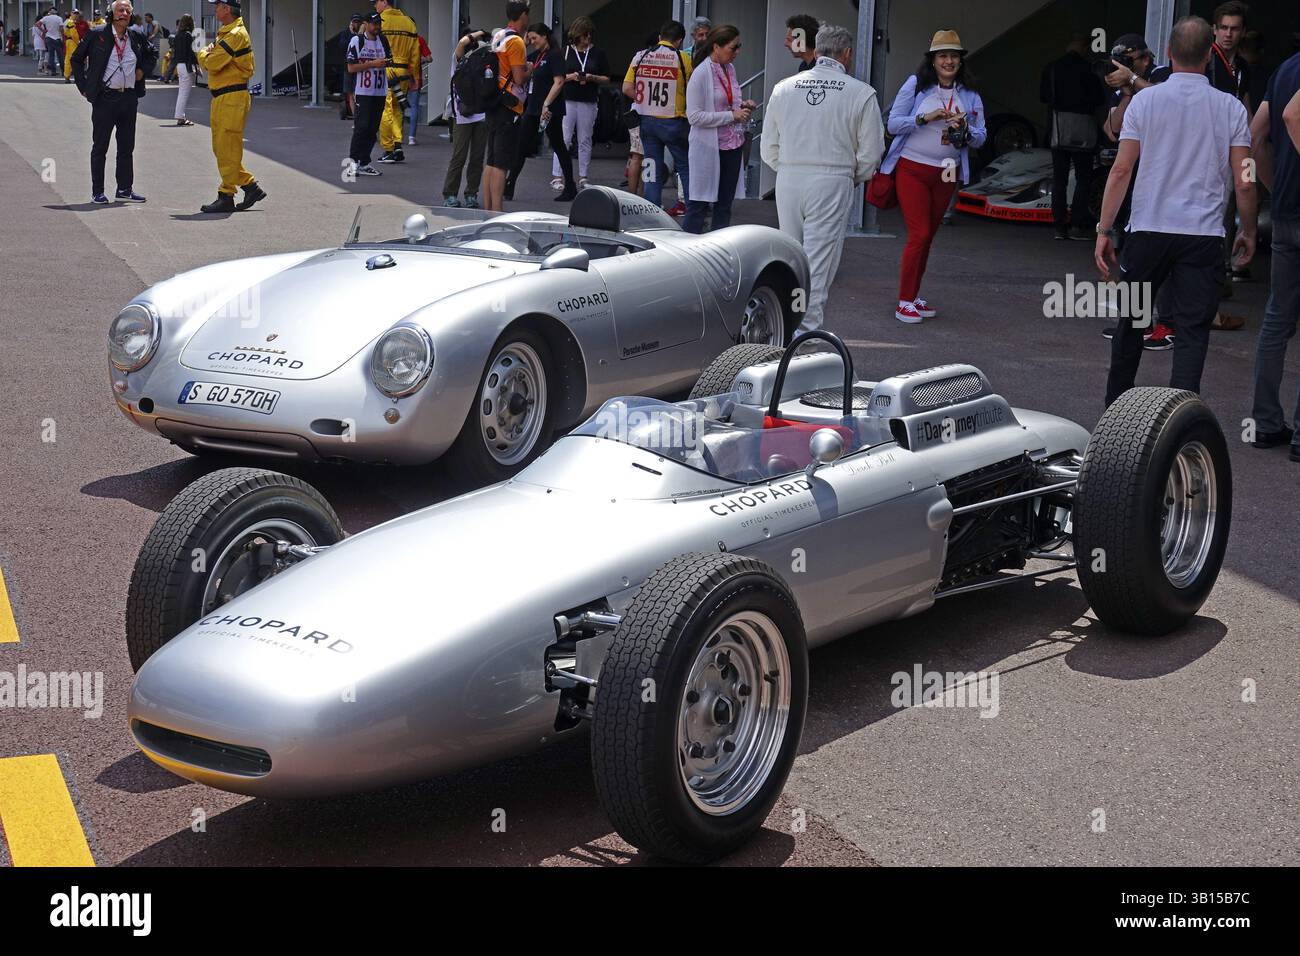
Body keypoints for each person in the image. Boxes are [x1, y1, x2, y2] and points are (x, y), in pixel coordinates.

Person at [1094, 16, 1256, 406]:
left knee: (1132, 322)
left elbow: (1121, 170)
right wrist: (1248, 230)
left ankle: (1115, 407)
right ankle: (1181, 417)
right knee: (1193, 329)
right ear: (1208, 54)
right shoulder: (1231, 108)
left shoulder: (1145, 101)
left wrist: (1103, 229)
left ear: (1168, 53)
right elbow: (1245, 178)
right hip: (1202, 235)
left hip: (1148, 228)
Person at [761, 24, 884, 333]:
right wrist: (850, 177)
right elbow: (871, 154)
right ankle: (804, 338)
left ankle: (784, 329)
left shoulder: (784, 87)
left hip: (789, 177)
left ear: (815, 51)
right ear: (848, 54)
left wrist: (789, 167)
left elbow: (768, 147)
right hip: (832, 178)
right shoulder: (861, 92)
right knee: (817, 264)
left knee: (791, 258)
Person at [881, 30, 985, 324]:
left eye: (954, 56)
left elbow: (981, 137)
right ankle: (904, 302)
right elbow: (892, 124)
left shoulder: (970, 92)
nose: (949, 61)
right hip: (912, 168)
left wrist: (965, 130)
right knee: (920, 234)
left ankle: (913, 297)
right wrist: (924, 118)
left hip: (948, 172)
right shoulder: (917, 85)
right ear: (933, 60)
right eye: (943, 56)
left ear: (961, 60)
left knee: (928, 238)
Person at [1101, 33, 1176, 350]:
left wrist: (1134, 79)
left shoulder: (1163, 76)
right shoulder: (1125, 85)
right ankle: (1137, 324)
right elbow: (1111, 131)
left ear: (1145, 58)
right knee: (1132, 254)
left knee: (1167, 256)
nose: (1125, 67)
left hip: (1165, 179)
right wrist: (1127, 91)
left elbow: (1167, 105)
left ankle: (1167, 325)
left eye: (1131, 61)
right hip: (1137, 180)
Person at [1247, 51, 1300, 459]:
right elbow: (1292, 116)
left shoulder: (1285, 67)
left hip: (1285, 211)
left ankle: (1265, 424)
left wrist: (1272, 184)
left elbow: (1256, 132)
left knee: (1277, 318)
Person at [70, 0, 155, 203]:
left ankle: (124, 189)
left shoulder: (136, 35)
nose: (124, 13)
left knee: (127, 147)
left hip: (129, 98)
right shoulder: (97, 34)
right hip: (105, 98)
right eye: (120, 10)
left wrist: (142, 70)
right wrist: (83, 86)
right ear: (111, 13)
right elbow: (76, 59)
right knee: (100, 146)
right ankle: (97, 191)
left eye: (127, 10)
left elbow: (152, 53)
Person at [196, 0, 266, 213]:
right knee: (222, 149)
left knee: (228, 150)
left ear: (227, 9)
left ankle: (227, 194)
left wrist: (202, 53)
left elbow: (212, 64)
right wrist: (209, 55)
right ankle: (249, 187)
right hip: (223, 97)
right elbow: (215, 63)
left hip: (232, 97)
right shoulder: (227, 33)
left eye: (217, 5)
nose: (214, 9)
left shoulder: (235, 34)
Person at [684, 24, 754, 233]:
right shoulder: (701, 74)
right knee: (699, 205)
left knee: (724, 206)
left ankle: (718, 253)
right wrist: (731, 115)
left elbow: (728, 101)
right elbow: (694, 116)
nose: (737, 52)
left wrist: (743, 106)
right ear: (716, 47)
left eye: (739, 46)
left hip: (732, 145)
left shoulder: (729, 69)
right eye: (734, 48)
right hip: (708, 147)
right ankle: (686, 252)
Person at [1040, 33, 1106, 240]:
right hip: (1083, 129)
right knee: (1083, 178)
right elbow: (1099, 99)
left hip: (1059, 129)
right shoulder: (1089, 70)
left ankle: (1059, 226)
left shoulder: (1051, 68)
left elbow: (1043, 96)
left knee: (1059, 180)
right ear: (1085, 48)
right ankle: (1078, 224)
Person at [623, 19, 692, 211]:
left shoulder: (641, 56)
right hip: (674, 121)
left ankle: (651, 211)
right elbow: (692, 89)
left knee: (651, 168)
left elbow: (626, 87)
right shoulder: (682, 58)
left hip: (647, 121)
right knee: (685, 167)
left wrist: (644, 100)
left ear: (660, 37)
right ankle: (693, 209)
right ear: (680, 41)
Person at [505, 22, 576, 202]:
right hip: (533, 107)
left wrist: (547, 103)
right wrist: (525, 41)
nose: (532, 41)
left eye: (534, 38)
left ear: (545, 36)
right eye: (530, 39)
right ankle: (509, 185)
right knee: (521, 145)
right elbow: (522, 61)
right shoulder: (538, 55)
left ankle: (570, 187)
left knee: (558, 145)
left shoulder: (555, 55)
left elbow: (559, 82)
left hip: (549, 108)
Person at [481, 1, 530, 212]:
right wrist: (530, 69)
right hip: (509, 105)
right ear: (523, 15)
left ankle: (489, 209)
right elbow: (519, 78)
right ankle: (498, 211)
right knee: (501, 163)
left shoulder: (499, 35)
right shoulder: (517, 42)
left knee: (491, 160)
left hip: (494, 101)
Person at [554, 17, 607, 189]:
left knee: (585, 138)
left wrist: (592, 77)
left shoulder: (598, 53)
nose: (588, 38)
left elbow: (607, 78)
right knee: (564, 138)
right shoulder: (566, 52)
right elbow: (558, 76)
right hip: (567, 99)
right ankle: (557, 176)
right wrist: (571, 77)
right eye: (585, 34)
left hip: (588, 100)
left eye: (590, 34)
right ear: (577, 35)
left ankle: (583, 176)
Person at [442, 27, 490, 207]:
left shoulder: (483, 60)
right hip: (462, 115)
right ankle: (449, 194)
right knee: (459, 156)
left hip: (481, 114)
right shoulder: (458, 60)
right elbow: (462, 43)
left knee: (477, 158)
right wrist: (480, 32)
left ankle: (471, 193)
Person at [373, 0, 418, 164]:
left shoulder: (379, 21)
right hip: (404, 71)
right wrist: (414, 77)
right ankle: (398, 145)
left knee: (385, 109)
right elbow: (415, 53)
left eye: (376, 2)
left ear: (384, 2)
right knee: (398, 108)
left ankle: (389, 149)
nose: (374, 6)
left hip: (385, 70)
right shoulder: (409, 22)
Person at [346, 11, 387, 177]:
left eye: (379, 23)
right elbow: (351, 67)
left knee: (372, 129)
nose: (377, 27)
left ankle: (365, 162)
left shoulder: (383, 40)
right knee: (361, 128)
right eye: (374, 23)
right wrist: (372, 64)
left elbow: (388, 60)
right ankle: (353, 163)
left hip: (380, 91)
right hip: (363, 91)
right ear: (367, 24)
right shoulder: (357, 41)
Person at [405, 33, 431, 145]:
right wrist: (421, 60)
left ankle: (397, 136)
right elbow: (429, 58)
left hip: (400, 77)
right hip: (415, 78)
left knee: (398, 107)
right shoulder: (419, 39)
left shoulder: (401, 39)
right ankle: (411, 137)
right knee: (414, 107)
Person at [171, 13, 195, 125]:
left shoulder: (177, 35)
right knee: (184, 93)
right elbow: (191, 53)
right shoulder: (188, 35)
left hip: (179, 65)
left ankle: (180, 116)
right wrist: (196, 66)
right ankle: (180, 117)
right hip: (186, 65)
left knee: (182, 92)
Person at [340, 14, 361, 119]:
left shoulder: (362, 34)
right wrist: (352, 34)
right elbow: (343, 46)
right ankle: (354, 116)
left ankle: (358, 114)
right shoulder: (345, 34)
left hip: (359, 67)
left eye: (358, 22)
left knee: (357, 92)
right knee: (350, 92)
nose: (356, 24)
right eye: (354, 22)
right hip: (348, 67)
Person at [40, 6, 64, 77]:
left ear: (50, 12)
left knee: (51, 55)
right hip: (57, 38)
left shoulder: (46, 18)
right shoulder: (59, 18)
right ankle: (63, 71)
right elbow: (61, 29)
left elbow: (37, 24)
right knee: (60, 56)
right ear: (56, 12)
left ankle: (53, 71)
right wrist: (63, 38)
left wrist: (44, 31)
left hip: (49, 38)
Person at [62, 9, 79, 81]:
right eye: (74, 13)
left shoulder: (68, 21)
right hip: (72, 42)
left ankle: (67, 76)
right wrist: (78, 42)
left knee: (68, 59)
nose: (76, 15)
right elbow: (73, 34)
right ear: (71, 14)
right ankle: (76, 77)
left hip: (68, 42)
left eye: (77, 13)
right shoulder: (70, 22)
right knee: (75, 59)